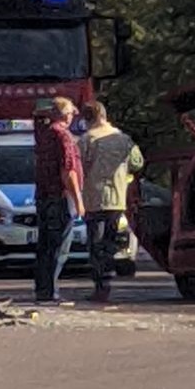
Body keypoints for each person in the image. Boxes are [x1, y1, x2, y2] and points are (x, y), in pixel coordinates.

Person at [78, 101, 144, 303]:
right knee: (109, 243)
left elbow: (79, 168)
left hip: (94, 199)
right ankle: (107, 280)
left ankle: (101, 285)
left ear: (87, 119)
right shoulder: (124, 139)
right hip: (117, 199)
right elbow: (137, 162)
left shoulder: (86, 140)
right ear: (105, 116)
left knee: (96, 245)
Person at [33, 97, 84, 304]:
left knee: (44, 245)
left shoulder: (44, 135)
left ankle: (42, 289)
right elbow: (68, 171)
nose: (72, 117)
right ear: (65, 115)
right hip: (61, 197)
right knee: (59, 246)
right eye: (71, 113)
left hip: (44, 196)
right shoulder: (63, 136)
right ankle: (51, 291)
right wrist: (78, 199)